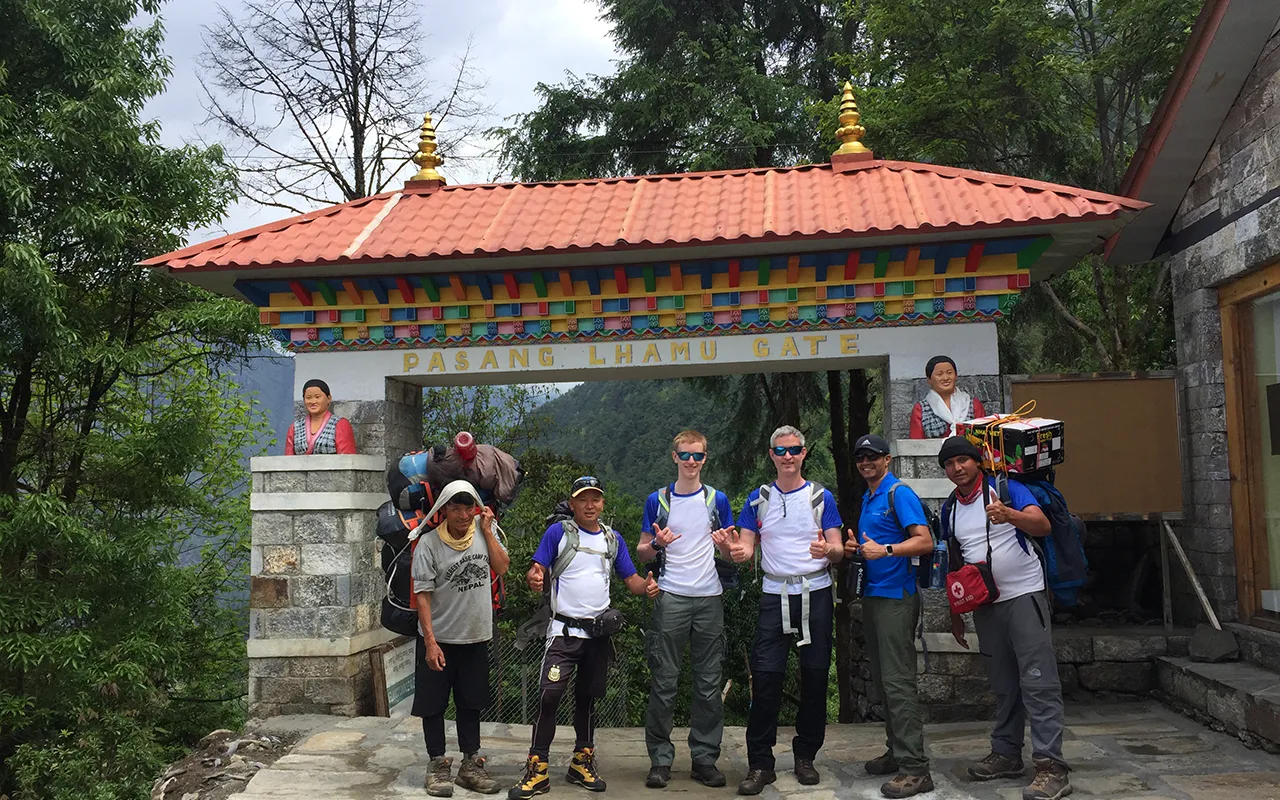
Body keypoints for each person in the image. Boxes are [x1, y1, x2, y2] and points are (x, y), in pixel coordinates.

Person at [509, 476, 660, 799]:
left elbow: (629, 578)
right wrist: (535, 577)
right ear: (573, 503)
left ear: (602, 503)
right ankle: (538, 768)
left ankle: (582, 761)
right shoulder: (558, 534)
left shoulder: (611, 539)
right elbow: (537, 568)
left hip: (597, 635)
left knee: (588, 700)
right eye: (583, 500)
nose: (590, 505)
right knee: (548, 697)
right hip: (563, 633)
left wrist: (645, 587)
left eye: (595, 499)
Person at [937, 436, 1071, 800]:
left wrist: (1008, 514)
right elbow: (955, 563)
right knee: (1003, 682)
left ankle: (1050, 766)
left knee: (1038, 679)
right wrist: (956, 613)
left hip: (1024, 594)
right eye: (949, 464)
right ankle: (1007, 753)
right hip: (984, 603)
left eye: (963, 460)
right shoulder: (950, 509)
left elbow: (1041, 525)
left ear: (977, 462)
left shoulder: (1005, 488)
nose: (957, 468)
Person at [731, 426, 844, 796]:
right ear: (772, 455)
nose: (788, 456)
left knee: (814, 675)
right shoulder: (757, 499)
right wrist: (734, 550)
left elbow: (838, 547)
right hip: (774, 592)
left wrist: (828, 552)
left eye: (794, 449)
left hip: (816, 592)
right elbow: (747, 550)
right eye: (781, 450)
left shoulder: (820, 497)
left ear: (804, 452)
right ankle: (760, 763)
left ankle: (806, 755)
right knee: (765, 679)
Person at [636, 430, 736, 790]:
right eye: (685, 455)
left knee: (709, 686)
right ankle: (660, 760)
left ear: (705, 459)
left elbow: (730, 552)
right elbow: (643, 550)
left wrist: (727, 546)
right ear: (674, 457)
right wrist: (657, 544)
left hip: (709, 597)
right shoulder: (658, 501)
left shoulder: (717, 500)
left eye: (698, 456)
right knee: (664, 682)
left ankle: (704, 759)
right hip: (671, 596)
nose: (691, 462)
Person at [843, 434, 935, 798]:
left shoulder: (899, 494)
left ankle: (915, 768)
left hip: (897, 597)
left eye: (873, 456)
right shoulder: (870, 496)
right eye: (860, 457)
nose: (866, 462)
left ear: (887, 460)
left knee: (898, 681)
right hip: (875, 596)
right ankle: (897, 752)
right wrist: (857, 549)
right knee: (883, 680)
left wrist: (886, 549)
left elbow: (924, 541)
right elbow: (872, 545)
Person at [412, 480, 511, 797]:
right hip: (439, 639)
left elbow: (502, 566)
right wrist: (430, 641)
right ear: (443, 510)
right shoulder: (428, 544)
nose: (463, 514)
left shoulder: (484, 533)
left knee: (471, 704)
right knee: (433, 706)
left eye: (469, 507)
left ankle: (471, 766)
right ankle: (438, 765)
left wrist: (488, 529)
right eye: (456, 507)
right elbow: (422, 596)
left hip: (475, 638)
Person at [908, 356, 987, 439]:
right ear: (929, 379)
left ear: (956, 376)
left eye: (949, 373)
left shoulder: (974, 405)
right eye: (939, 374)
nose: (945, 378)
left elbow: (984, 438)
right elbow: (916, 444)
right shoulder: (921, 409)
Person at [284, 378, 357, 454]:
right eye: (308, 397)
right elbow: (289, 460)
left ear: (328, 399)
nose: (313, 401)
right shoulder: (295, 428)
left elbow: (347, 459)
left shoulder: (340, 424)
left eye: (317, 397)